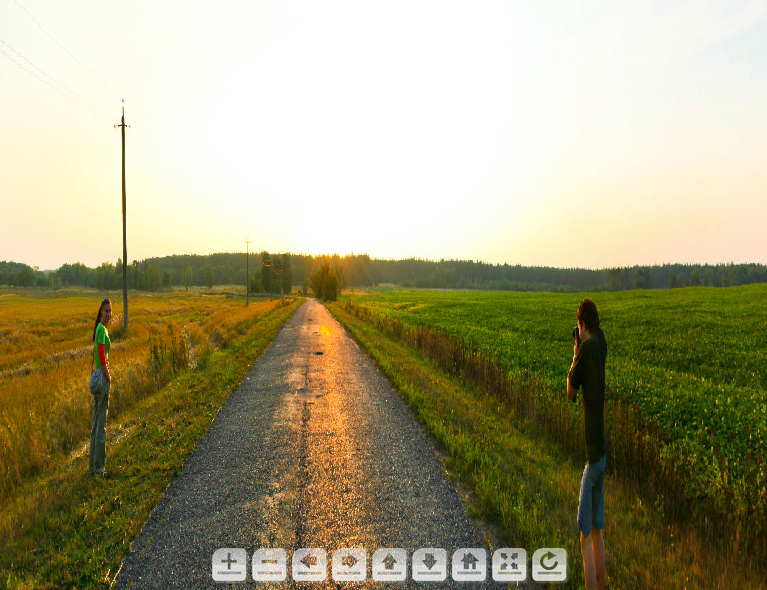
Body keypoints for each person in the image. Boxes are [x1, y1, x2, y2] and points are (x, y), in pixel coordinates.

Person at [567, 298, 607, 590]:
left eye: (578, 326)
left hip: (593, 458)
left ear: (581, 325)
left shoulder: (587, 349)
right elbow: (594, 339)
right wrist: (582, 342)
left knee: (583, 534)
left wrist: (574, 353)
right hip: (602, 452)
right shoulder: (601, 343)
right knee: (597, 528)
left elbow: (570, 392)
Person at [89, 298, 112, 477]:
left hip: (95, 376)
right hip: (101, 378)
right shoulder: (102, 330)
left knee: (95, 424)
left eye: (110, 311)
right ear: (101, 312)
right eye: (106, 311)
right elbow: (102, 357)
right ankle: (99, 469)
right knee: (101, 426)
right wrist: (109, 376)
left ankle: (92, 468)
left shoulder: (98, 329)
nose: (109, 314)